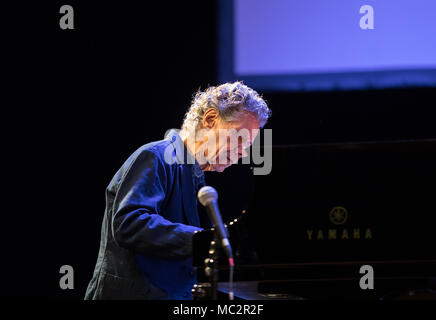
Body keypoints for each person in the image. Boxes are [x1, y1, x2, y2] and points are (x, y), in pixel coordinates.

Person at [84, 81, 271, 299]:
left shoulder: (196, 179)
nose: (243, 152)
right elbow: (129, 223)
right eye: (240, 138)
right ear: (210, 119)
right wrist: (201, 241)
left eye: (247, 146)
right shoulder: (155, 156)